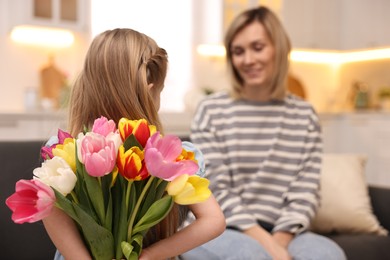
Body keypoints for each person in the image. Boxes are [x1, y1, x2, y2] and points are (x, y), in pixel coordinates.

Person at [42, 28, 225, 260]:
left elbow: (50, 211)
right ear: (149, 93)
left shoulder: (64, 151)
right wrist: (151, 255)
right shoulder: (173, 157)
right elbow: (214, 220)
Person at [181, 6, 346, 260]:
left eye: (258, 47)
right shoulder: (211, 110)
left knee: (328, 254)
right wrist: (268, 247)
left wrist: (278, 243)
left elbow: (306, 190)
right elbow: (217, 189)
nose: (248, 60)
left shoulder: (304, 115)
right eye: (238, 51)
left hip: (287, 232)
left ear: (278, 49)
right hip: (220, 228)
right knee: (251, 255)